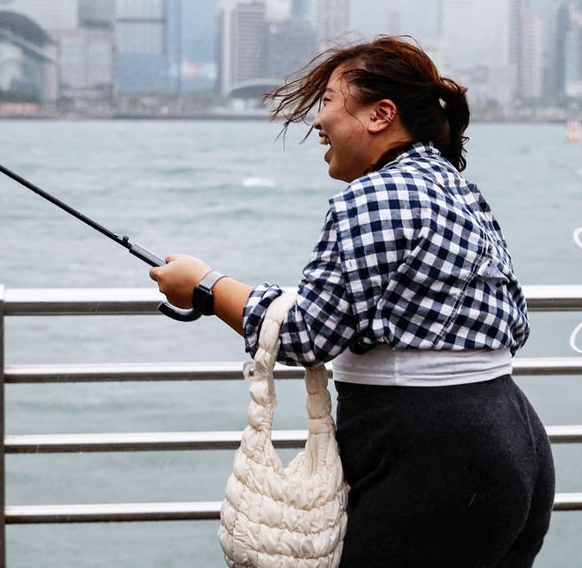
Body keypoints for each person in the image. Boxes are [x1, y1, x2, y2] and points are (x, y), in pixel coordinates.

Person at [150, 36, 555, 568]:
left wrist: (206, 286)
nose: (317, 123)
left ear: (381, 115)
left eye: (329, 103)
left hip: (434, 452)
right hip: (511, 438)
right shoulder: (454, 187)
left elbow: (306, 335)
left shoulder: (376, 194)